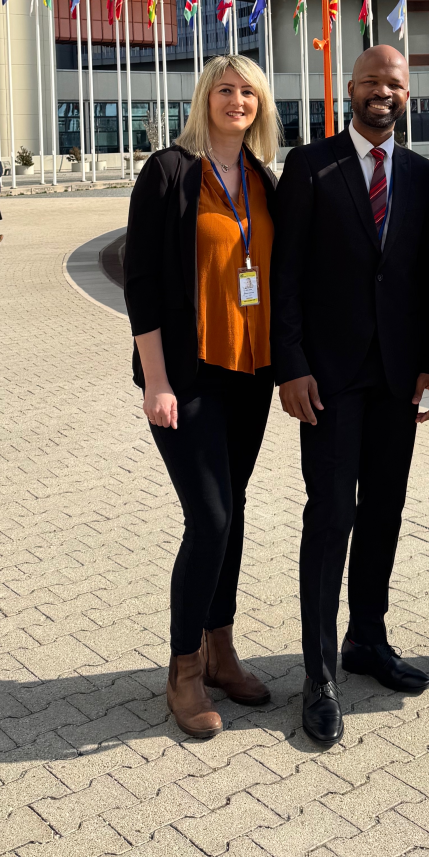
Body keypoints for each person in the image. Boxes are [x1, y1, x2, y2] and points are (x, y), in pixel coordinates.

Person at [272, 45, 429, 747]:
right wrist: (290, 366)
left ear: (408, 93)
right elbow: (285, 276)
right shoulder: (310, 166)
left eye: (394, 83)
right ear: (350, 89)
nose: (383, 91)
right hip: (328, 379)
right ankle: (318, 674)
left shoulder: (424, 175)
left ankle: (367, 640)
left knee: (383, 512)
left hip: (398, 380)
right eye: (372, 81)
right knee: (330, 517)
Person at [123, 55, 280, 740]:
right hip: (188, 378)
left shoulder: (264, 180)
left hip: (251, 374)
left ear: (260, 105)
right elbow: (141, 283)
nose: (236, 100)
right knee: (210, 517)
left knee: (234, 511)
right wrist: (156, 379)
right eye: (225, 90)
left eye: (248, 92)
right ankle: (184, 668)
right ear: (204, 99)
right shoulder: (168, 171)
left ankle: (222, 650)